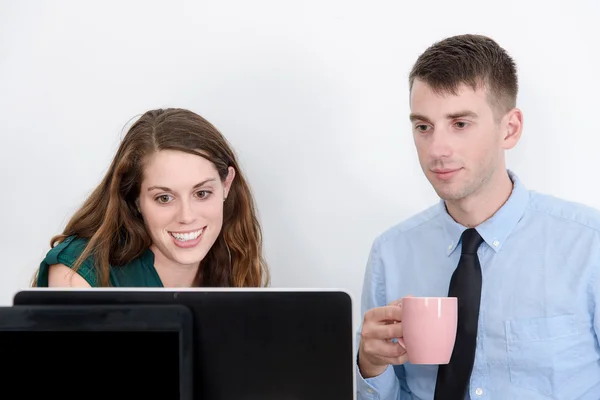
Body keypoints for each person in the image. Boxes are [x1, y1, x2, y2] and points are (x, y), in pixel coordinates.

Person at [356, 34, 600, 400]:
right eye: (423, 127)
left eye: (460, 124)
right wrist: (370, 365)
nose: (437, 149)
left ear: (510, 128)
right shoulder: (390, 254)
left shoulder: (590, 245)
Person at [32, 108, 269, 288]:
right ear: (134, 198)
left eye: (202, 193)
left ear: (226, 184)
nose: (187, 216)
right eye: (164, 198)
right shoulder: (78, 270)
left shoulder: (233, 254)